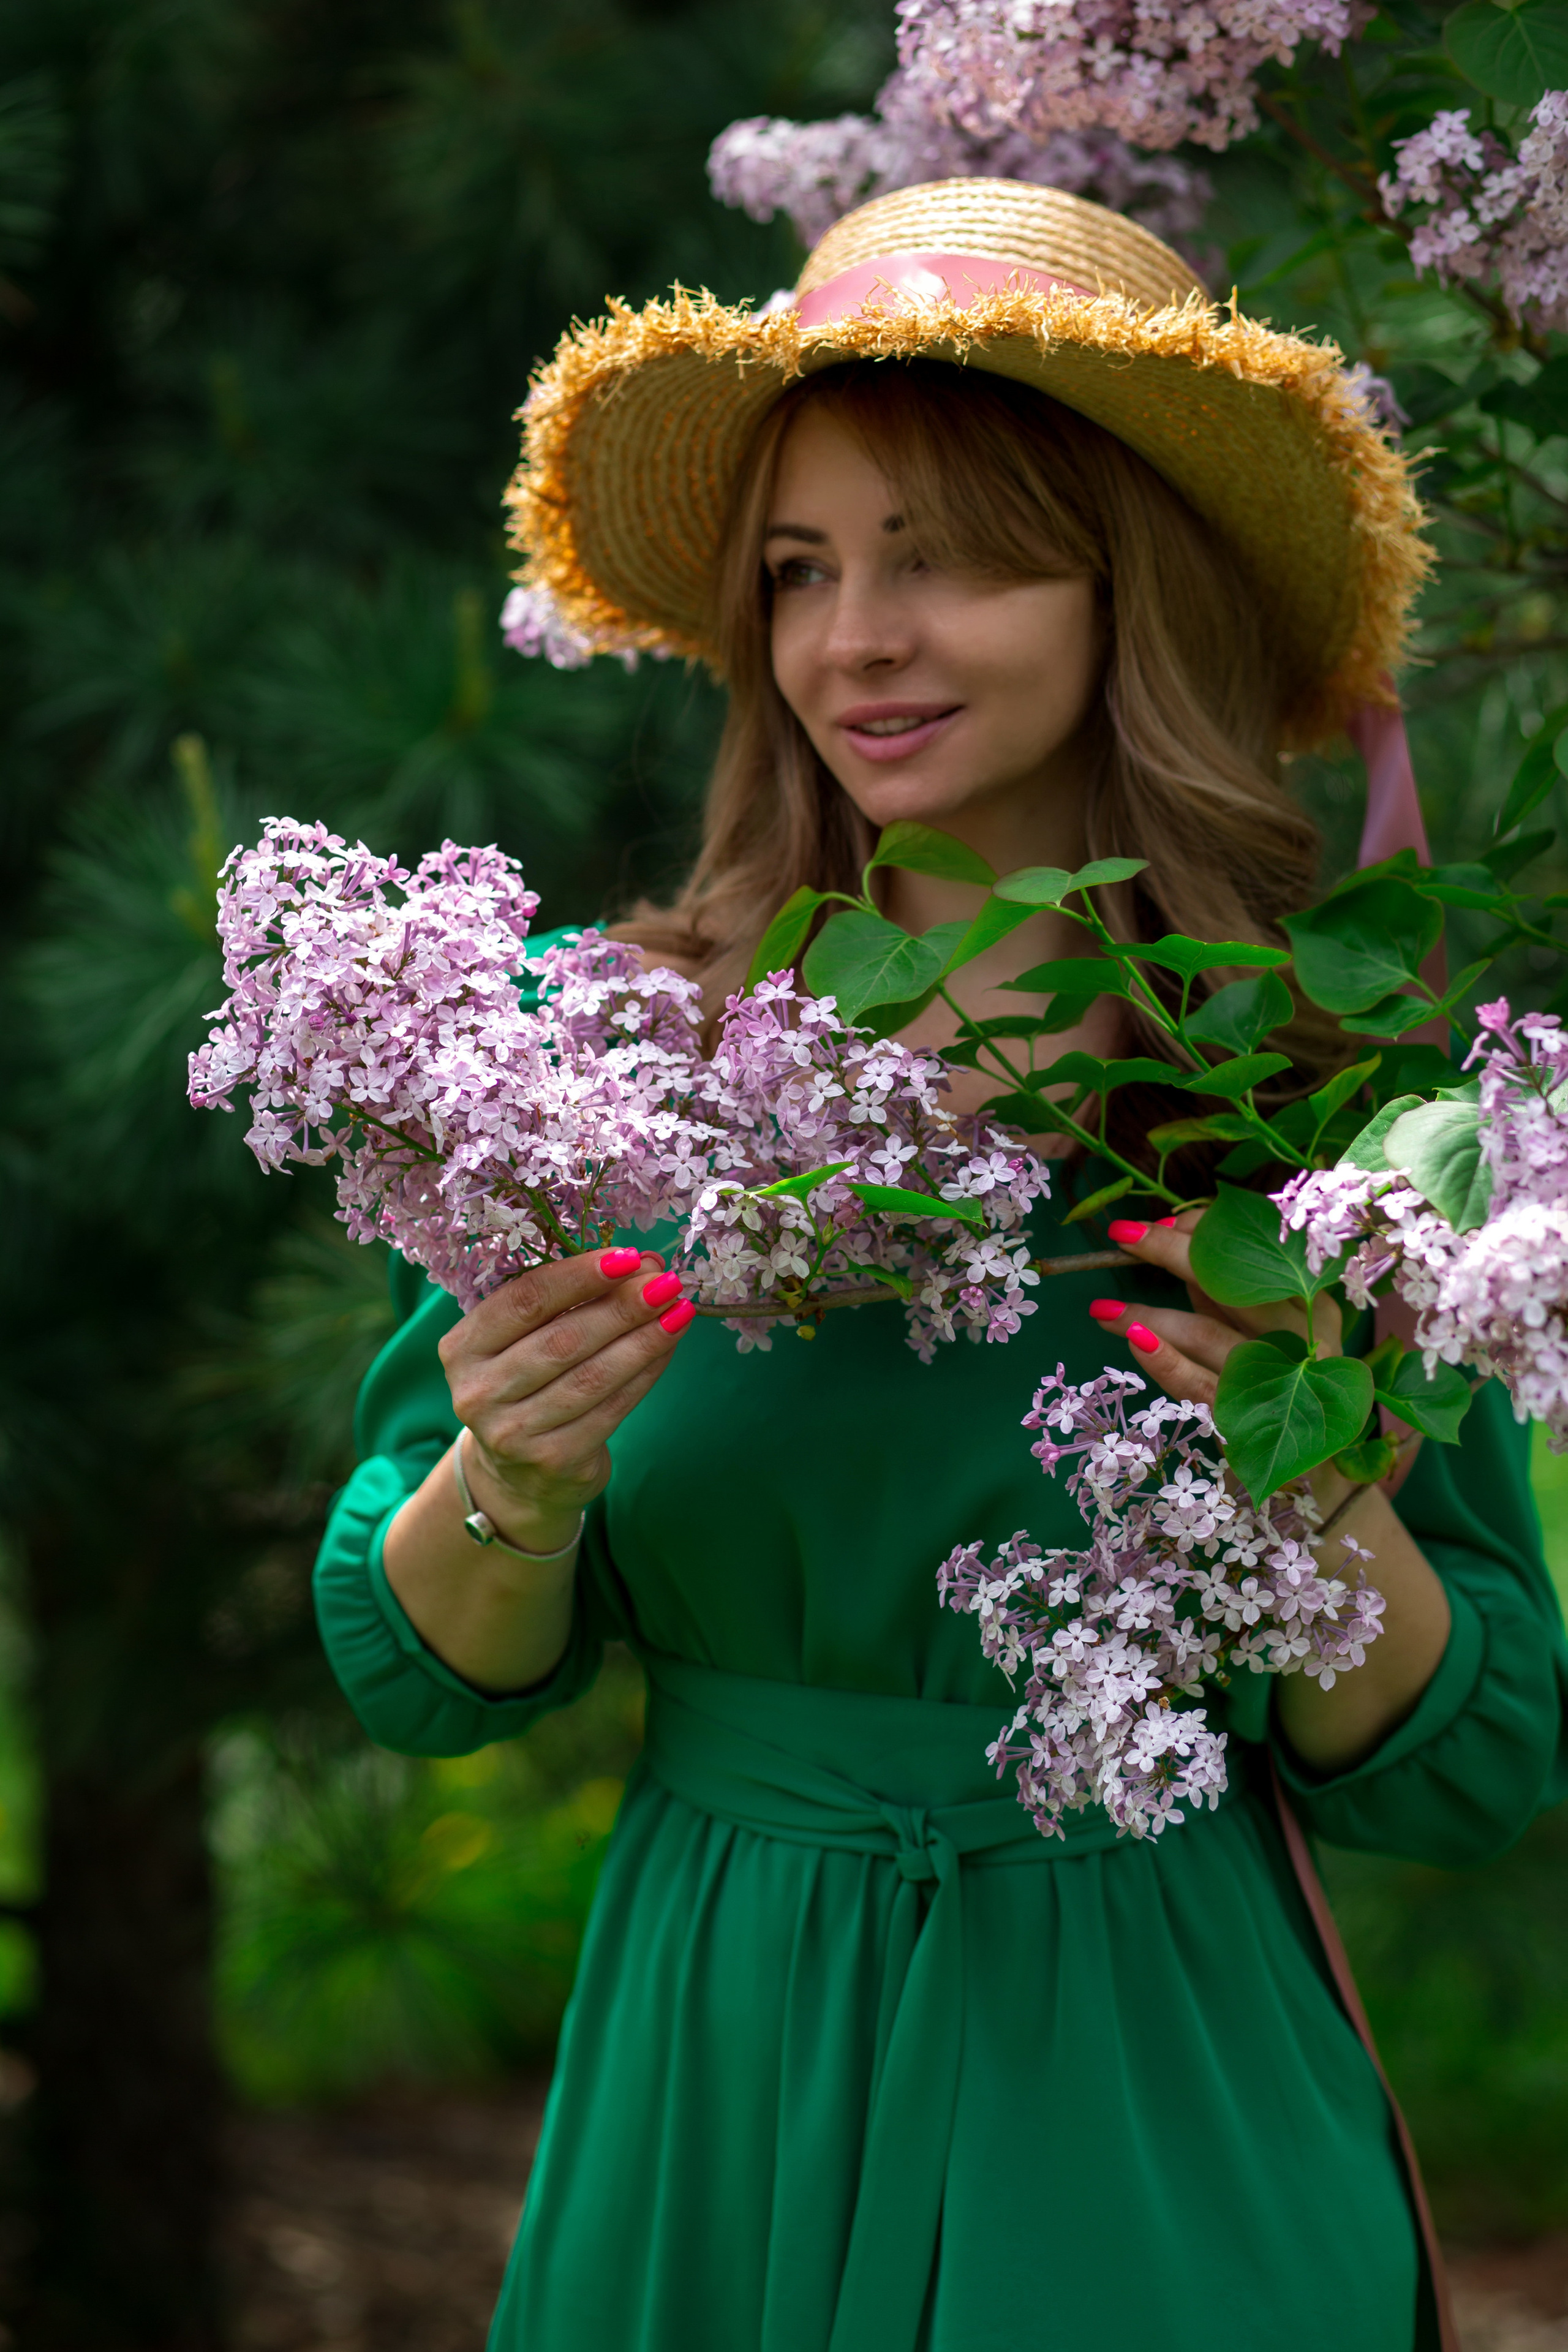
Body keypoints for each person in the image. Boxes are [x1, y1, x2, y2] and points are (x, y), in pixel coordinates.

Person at [314, 179, 1567, 2352]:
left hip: (1153, 2110)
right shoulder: (605, 1059)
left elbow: (1467, 1766)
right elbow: (420, 1673)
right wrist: (507, 1475)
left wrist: (1320, 1493)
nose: (854, 640)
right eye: (800, 571)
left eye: (946, 557)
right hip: (715, 2079)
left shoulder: (1325, 1104)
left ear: (1126, 586)